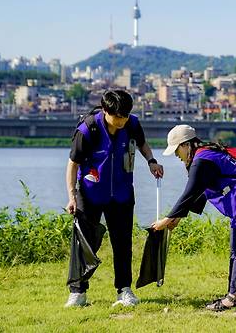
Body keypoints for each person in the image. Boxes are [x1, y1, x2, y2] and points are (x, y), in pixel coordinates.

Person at [152, 125, 236, 312]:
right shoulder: (206, 154)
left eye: (176, 150)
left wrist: (166, 220)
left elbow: (189, 193)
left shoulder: (200, 161)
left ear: (186, 145)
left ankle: (233, 298)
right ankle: (233, 294)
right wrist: (177, 218)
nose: (176, 155)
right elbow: (200, 194)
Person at [64, 89, 164, 308]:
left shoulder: (132, 124)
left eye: (125, 116)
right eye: (118, 116)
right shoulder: (88, 129)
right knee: (84, 242)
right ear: (105, 110)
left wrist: (152, 160)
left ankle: (124, 290)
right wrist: (72, 197)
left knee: (122, 243)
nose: (121, 121)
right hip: (90, 194)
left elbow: (142, 144)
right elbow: (73, 165)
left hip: (122, 193)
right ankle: (78, 292)